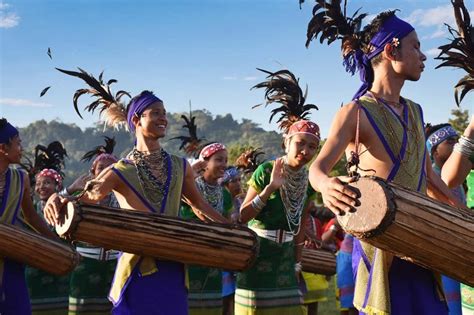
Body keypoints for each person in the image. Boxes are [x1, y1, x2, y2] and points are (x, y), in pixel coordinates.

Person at [305, 6, 462, 314]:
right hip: (379, 246)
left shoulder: (415, 111)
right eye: (415, 46)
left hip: (421, 242)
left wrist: (462, 214)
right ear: (391, 49)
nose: (423, 55)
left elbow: (429, 178)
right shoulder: (355, 112)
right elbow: (318, 168)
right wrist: (326, 185)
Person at [44, 84, 228, 315]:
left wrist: (231, 231)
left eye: (164, 112)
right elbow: (85, 199)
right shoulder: (120, 170)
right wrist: (57, 198)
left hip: (173, 264)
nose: (164, 118)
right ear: (136, 120)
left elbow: (199, 205)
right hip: (137, 268)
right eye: (156, 113)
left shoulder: (180, 166)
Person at [234, 68, 320, 314]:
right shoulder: (266, 170)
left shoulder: (307, 179)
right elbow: (243, 216)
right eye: (300, 143)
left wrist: (297, 260)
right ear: (287, 142)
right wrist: (270, 188)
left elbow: (302, 223)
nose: (305, 150)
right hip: (258, 253)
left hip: (285, 259)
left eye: (312, 147)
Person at [0, 118, 58, 315]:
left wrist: (56, 242)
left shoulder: (20, 178)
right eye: (18, 143)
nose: (21, 148)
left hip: (11, 260)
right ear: (3, 148)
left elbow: (32, 217)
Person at [59, 137, 120, 314]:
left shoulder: (125, 198)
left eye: (111, 168)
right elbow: (54, 213)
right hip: (84, 266)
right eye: (101, 168)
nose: (106, 171)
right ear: (92, 172)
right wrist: (70, 189)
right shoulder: (79, 196)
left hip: (114, 268)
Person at [180, 143, 234, 315]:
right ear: (204, 162)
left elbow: (227, 221)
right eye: (218, 159)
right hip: (190, 254)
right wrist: (194, 167)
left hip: (214, 256)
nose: (224, 164)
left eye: (225, 160)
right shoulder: (189, 186)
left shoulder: (225, 194)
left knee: (212, 305)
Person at [426, 123, 464, 315]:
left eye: (457, 141)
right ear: (434, 150)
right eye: (450, 142)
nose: (456, 145)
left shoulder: (458, 176)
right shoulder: (431, 180)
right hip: (444, 255)